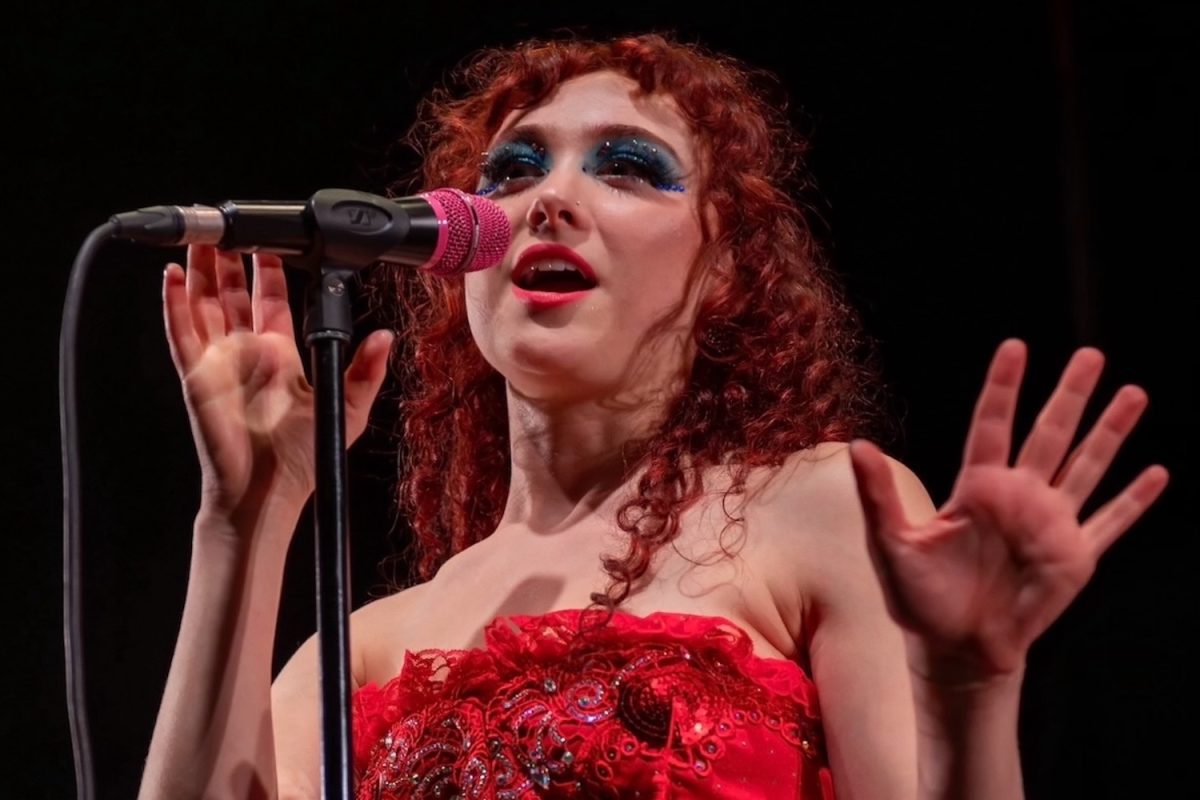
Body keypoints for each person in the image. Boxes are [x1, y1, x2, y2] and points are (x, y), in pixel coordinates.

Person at [136, 33, 1168, 800]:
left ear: (725, 272)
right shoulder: (363, 651)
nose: (549, 197)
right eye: (514, 168)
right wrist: (247, 516)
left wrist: (968, 686)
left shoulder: (820, 506)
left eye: (627, 167)